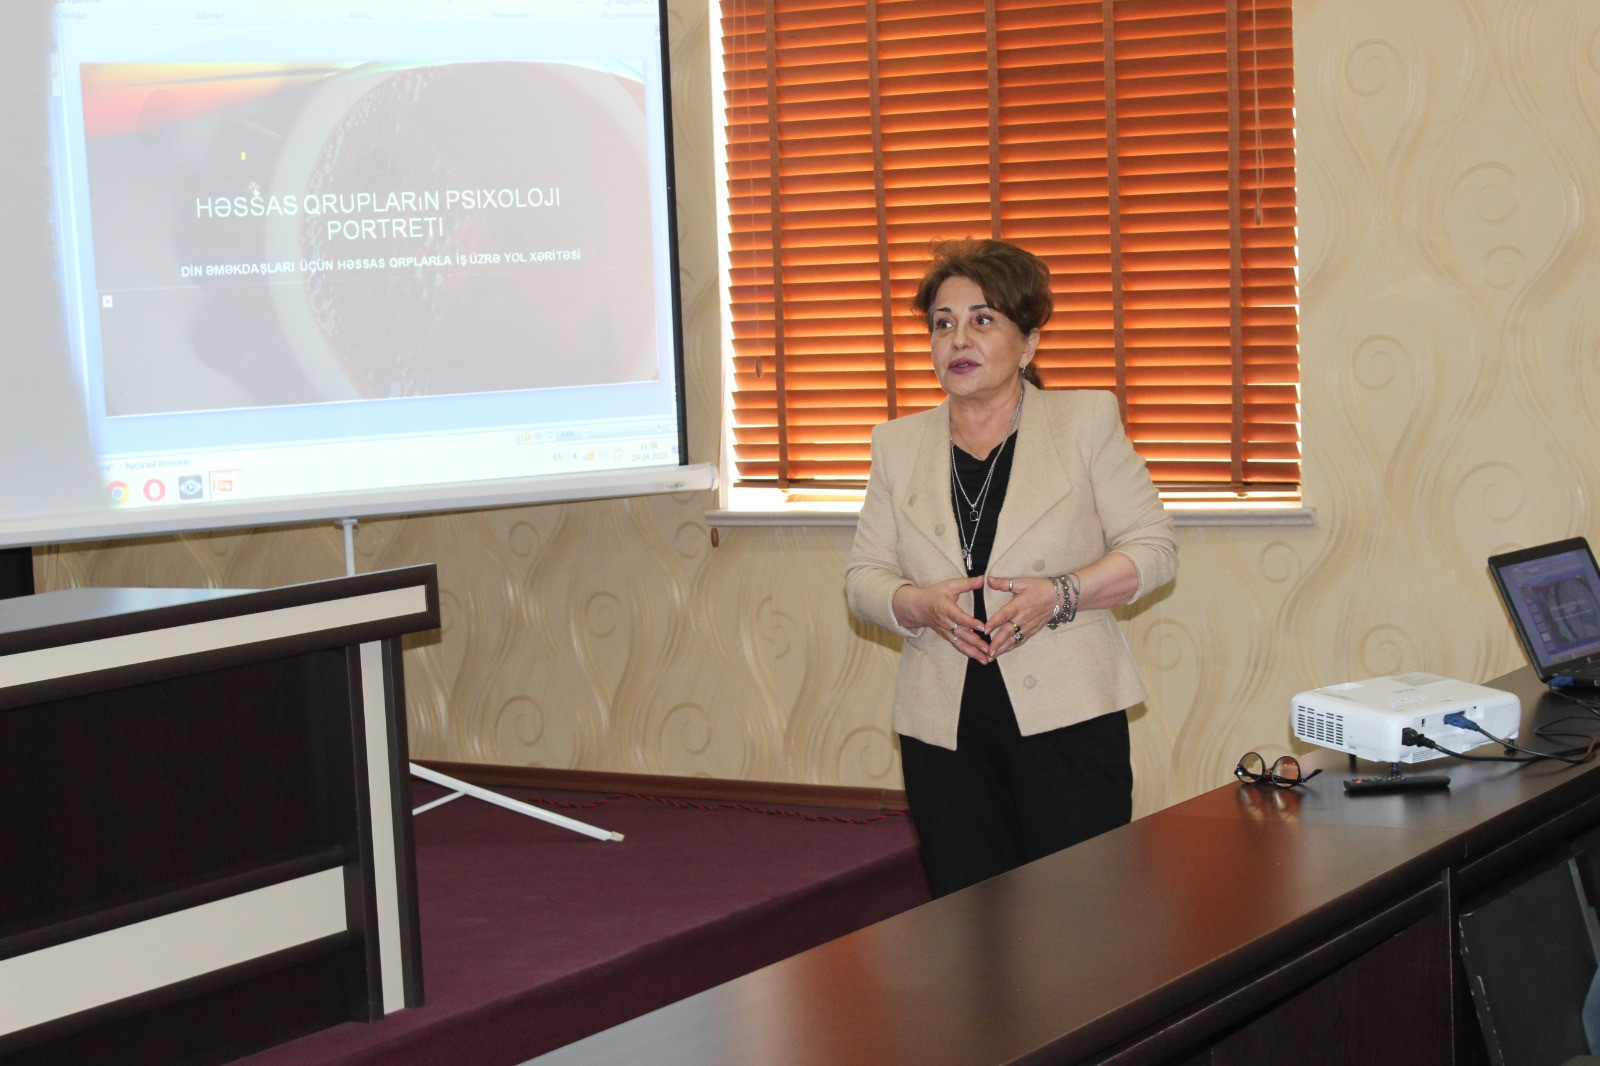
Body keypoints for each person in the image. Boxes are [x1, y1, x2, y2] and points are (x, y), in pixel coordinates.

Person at [845, 238, 1177, 898]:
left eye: (983, 319)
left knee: (1080, 915)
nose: (958, 339)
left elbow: (1154, 549)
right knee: (970, 921)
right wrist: (916, 603)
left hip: (1068, 722)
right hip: (945, 731)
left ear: (1027, 344)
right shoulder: (897, 444)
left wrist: (1061, 593)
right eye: (943, 323)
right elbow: (864, 578)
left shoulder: (1084, 421)